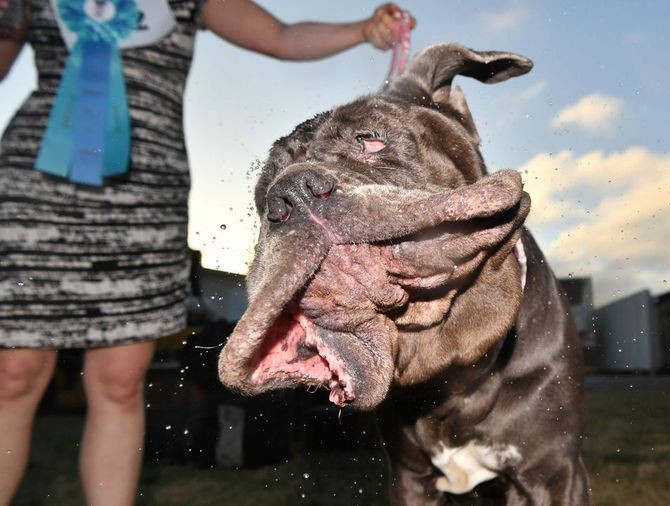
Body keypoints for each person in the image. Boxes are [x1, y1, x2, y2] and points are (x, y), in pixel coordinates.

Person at [0, 1, 415, 504]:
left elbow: (281, 36)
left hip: (145, 196)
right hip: (34, 191)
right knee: (11, 376)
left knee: (120, 382)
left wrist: (362, 30)